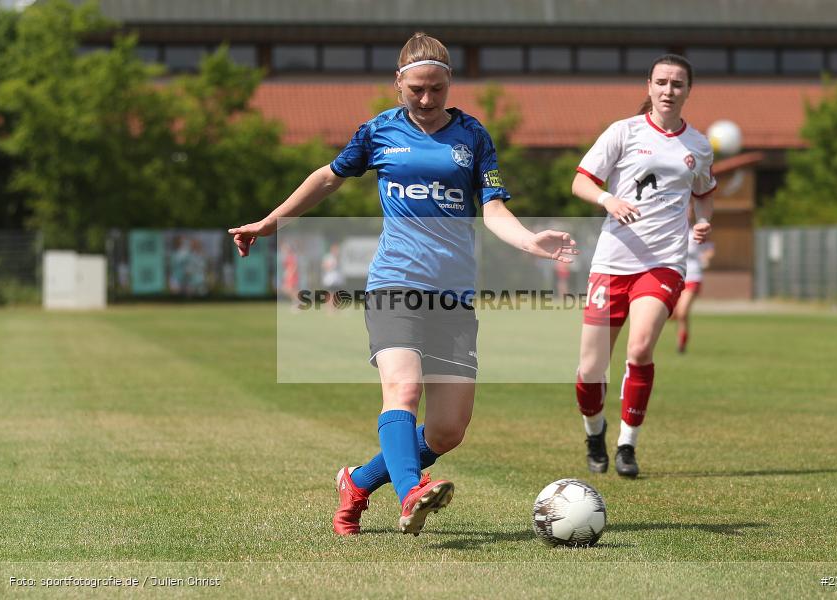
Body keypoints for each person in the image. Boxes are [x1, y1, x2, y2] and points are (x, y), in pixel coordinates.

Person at [228, 33, 576, 535]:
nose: (428, 99)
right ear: (398, 84)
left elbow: (493, 208)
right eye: (417, 89)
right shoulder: (377, 132)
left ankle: (357, 482)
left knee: (448, 429)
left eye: (437, 88)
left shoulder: (473, 136)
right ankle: (411, 493)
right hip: (395, 284)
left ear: (450, 82)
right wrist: (269, 222)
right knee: (403, 387)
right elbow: (327, 177)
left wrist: (529, 241)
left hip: (454, 297)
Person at [571, 54, 716, 478]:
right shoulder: (623, 132)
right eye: (662, 82)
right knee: (590, 368)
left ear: (688, 90)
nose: (669, 90)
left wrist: (703, 219)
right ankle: (594, 433)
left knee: (639, 348)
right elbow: (581, 180)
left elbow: (704, 192)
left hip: (664, 261)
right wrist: (607, 199)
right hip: (613, 261)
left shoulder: (699, 146)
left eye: (677, 84)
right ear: (649, 86)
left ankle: (627, 446)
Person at [675, 224, 714, 353]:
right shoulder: (674, 229)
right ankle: (682, 334)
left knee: (682, 312)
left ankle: (682, 341)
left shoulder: (697, 230)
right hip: (676, 277)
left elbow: (709, 248)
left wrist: (706, 256)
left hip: (693, 277)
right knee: (675, 314)